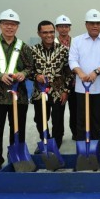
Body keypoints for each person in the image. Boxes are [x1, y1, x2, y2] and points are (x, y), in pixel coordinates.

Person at [0, 9, 33, 173]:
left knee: (18, 129)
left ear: (17, 27)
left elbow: (30, 67)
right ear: (0, 25)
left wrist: (23, 74)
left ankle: (16, 158)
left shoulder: (23, 47)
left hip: (18, 97)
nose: (9, 27)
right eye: (6, 24)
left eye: (13, 24)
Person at [68, 9, 100, 153]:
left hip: (99, 87)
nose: (95, 26)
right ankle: (82, 149)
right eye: (92, 23)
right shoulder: (76, 40)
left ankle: (95, 146)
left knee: (96, 120)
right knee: (81, 119)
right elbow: (72, 59)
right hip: (82, 88)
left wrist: (96, 72)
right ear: (86, 24)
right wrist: (80, 73)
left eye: (98, 23)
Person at [31, 20, 72, 151]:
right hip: (40, 93)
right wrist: (36, 76)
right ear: (39, 33)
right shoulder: (32, 51)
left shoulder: (63, 51)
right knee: (40, 119)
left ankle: (56, 144)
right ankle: (45, 140)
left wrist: (66, 90)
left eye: (51, 32)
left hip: (58, 92)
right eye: (45, 32)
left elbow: (69, 72)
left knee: (57, 120)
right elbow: (28, 70)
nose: (49, 35)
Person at [54, 14, 77, 140]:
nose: (64, 29)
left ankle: (76, 133)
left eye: (66, 26)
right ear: (57, 28)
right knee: (58, 112)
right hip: (58, 85)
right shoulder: (53, 43)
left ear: (70, 28)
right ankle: (58, 136)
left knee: (75, 111)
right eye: (61, 26)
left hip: (75, 83)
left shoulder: (76, 42)